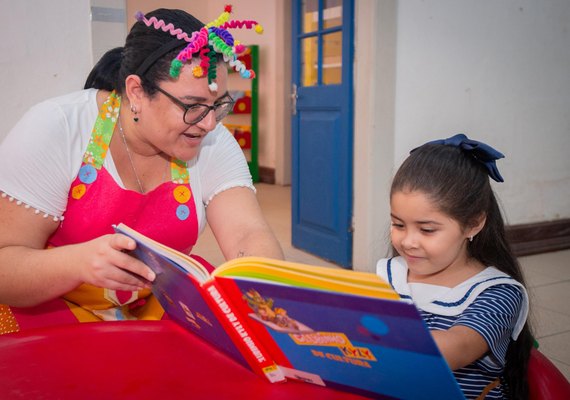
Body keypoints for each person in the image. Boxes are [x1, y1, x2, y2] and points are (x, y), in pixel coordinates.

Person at [0, 6, 283, 334]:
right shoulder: (58, 127)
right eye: (192, 106)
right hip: (56, 304)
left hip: (157, 304)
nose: (208, 124)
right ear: (136, 91)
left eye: (218, 105)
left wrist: (271, 296)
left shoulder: (212, 140)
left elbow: (248, 234)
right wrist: (77, 263)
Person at [376, 134, 533, 399]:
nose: (408, 241)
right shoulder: (388, 274)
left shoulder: (499, 294)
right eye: (398, 225)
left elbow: (455, 348)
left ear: (473, 224)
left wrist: (366, 340)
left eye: (427, 229)